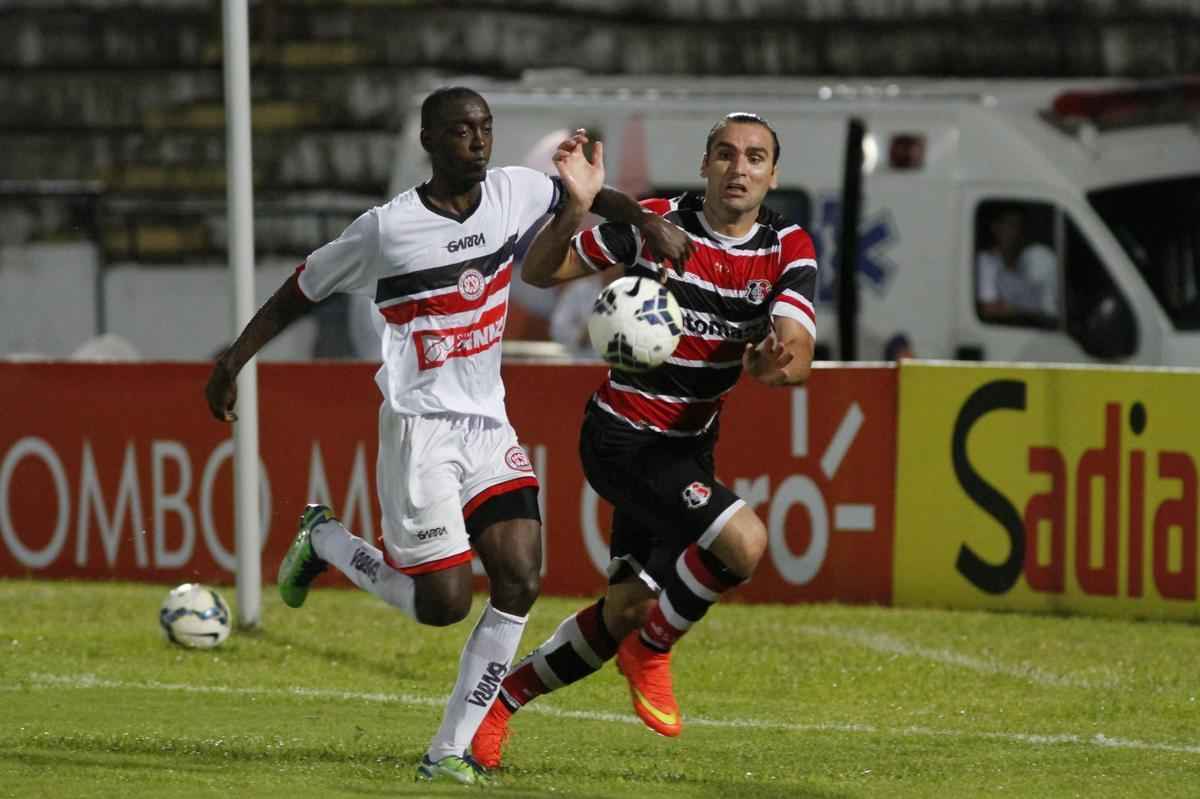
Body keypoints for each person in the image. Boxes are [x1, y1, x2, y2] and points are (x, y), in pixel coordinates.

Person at [202, 86, 691, 786]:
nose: (478, 140)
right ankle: (327, 539)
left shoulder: (513, 192)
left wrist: (639, 218)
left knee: (521, 575)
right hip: (420, 429)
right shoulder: (387, 230)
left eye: (485, 127)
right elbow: (301, 289)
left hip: (488, 422)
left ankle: (447, 751)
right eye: (462, 130)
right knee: (443, 604)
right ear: (430, 141)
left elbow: (576, 193)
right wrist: (233, 360)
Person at [471, 112, 817, 768]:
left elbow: (797, 346)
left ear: (772, 175)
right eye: (724, 154)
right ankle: (654, 649)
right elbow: (541, 271)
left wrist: (778, 362)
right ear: (704, 164)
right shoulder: (657, 221)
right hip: (623, 438)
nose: (737, 168)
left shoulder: (787, 246)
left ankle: (497, 703)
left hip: (688, 445)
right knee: (742, 541)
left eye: (753, 157)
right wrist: (575, 208)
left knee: (624, 610)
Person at [976, 204, 1058, 321]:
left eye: (1019, 226)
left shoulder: (1032, 258)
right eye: (1011, 225)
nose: (1015, 232)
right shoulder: (985, 262)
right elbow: (989, 309)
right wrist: (1034, 311)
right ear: (996, 228)